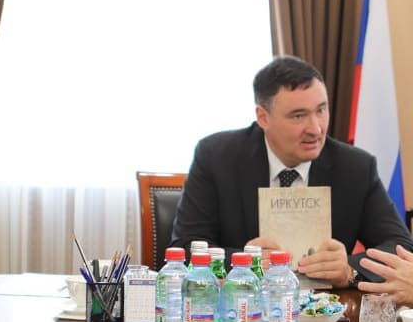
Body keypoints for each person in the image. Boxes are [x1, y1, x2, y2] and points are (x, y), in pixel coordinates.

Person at [169, 55, 413, 288]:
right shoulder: (216, 157)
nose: (316, 129)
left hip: (328, 310)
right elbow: (186, 247)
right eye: (298, 116)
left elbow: (400, 246)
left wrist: (349, 270)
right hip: (243, 307)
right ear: (263, 117)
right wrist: (244, 262)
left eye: (321, 110)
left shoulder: (356, 167)